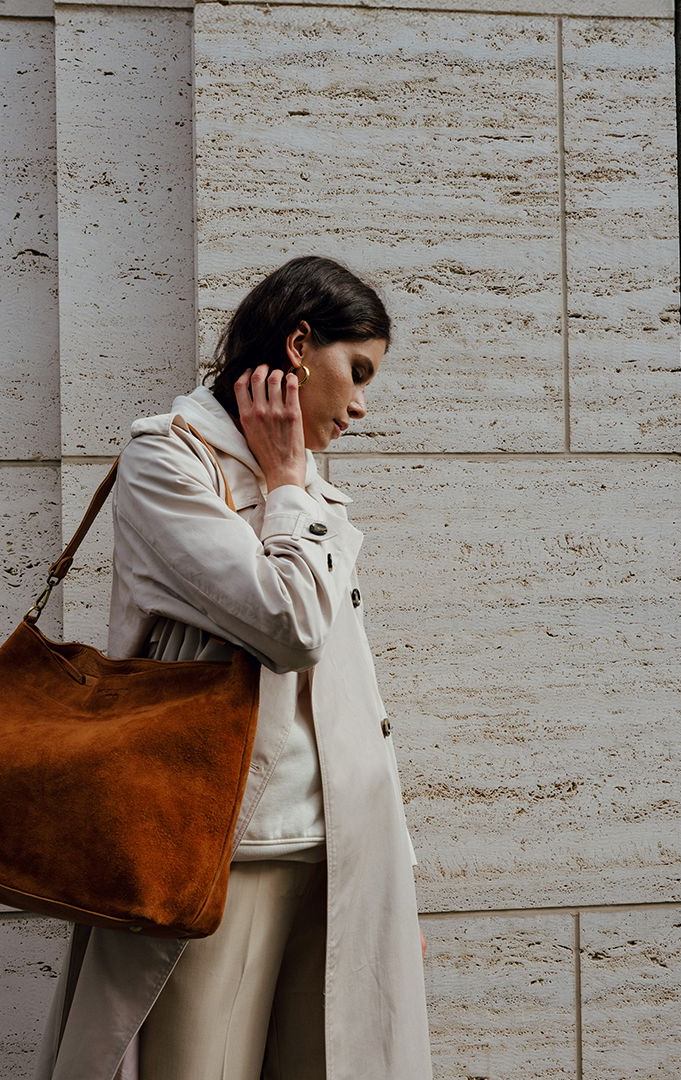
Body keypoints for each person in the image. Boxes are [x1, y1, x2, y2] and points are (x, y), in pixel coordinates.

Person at [30, 256, 433, 1080]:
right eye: (355, 371)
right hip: (220, 850)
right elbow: (290, 628)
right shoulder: (170, 463)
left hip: (340, 851)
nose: (361, 404)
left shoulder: (311, 486)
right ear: (297, 345)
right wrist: (287, 482)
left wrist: (397, 871)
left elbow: (349, 686)